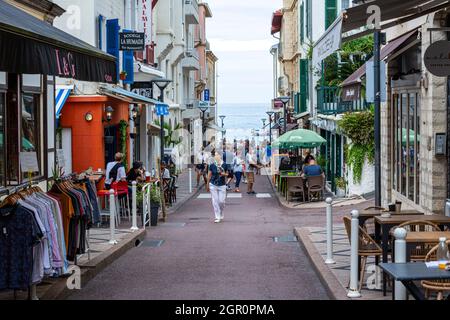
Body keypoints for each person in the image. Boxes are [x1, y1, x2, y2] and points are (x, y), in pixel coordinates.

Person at [206, 154, 229, 223]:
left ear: (220, 156)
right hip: (213, 184)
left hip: (222, 185)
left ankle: (221, 212)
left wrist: (224, 174)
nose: (216, 156)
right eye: (215, 155)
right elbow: (209, 175)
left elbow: (228, 174)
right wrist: (207, 185)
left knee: (221, 201)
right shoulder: (212, 165)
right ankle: (217, 216)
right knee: (215, 201)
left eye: (217, 155)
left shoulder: (224, 164)